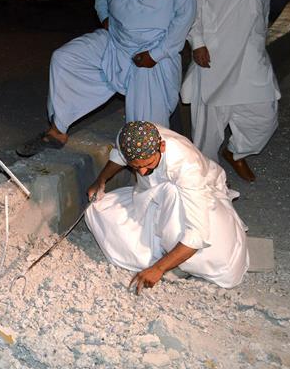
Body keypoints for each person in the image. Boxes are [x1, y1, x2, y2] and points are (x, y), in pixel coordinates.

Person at [17, 0, 196, 157]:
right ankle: (57, 130)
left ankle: (157, 179)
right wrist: (104, 14)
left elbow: (186, 14)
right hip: (115, 38)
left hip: (153, 50)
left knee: (146, 132)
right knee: (65, 58)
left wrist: (156, 54)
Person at [85, 121, 248, 293]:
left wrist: (158, 269)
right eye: (135, 167)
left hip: (196, 197)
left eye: (148, 164)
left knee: (215, 259)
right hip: (151, 195)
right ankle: (167, 252)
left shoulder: (187, 166)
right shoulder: (128, 137)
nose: (141, 172)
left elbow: (197, 234)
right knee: (97, 210)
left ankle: (176, 258)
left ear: (161, 147)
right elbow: (119, 155)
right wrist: (100, 180)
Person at [180, 0, 280, 182]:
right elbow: (192, 6)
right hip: (215, 56)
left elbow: (264, 4)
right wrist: (197, 42)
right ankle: (203, 186)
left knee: (265, 117)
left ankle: (236, 152)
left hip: (252, 55)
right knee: (208, 131)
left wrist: (262, 37)